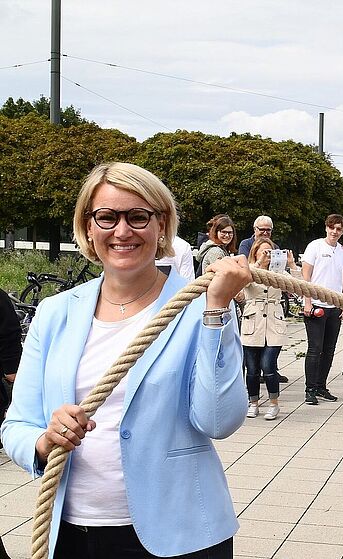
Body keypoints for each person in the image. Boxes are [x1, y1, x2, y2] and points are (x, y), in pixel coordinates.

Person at [2, 162, 251, 558]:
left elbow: (219, 421)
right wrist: (44, 441)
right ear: (87, 227)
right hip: (73, 534)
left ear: (161, 225)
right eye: (106, 217)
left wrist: (218, 311)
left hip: (180, 533)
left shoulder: (200, 307)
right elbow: (17, 424)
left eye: (138, 216)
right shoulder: (55, 312)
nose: (122, 231)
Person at [301, 214, 343, 405]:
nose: (335, 232)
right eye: (333, 228)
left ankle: (321, 385)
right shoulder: (315, 246)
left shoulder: (342, 251)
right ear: (326, 228)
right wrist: (307, 302)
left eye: (339, 229)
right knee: (315, 348)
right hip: (316, 305)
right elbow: (306, 278)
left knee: (329, 350)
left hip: (334, 306)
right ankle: (310, 388)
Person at [239, 238, 288, 420]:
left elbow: (302, 286)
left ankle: (274, 403)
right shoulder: (249, 269)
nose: (267, 255)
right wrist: (258, 264)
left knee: (268, 365)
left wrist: (290, 264)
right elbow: (243, 285)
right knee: (252, 369)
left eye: (270, 252)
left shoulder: (280, 272)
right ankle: (253, 402)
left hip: (274, 322)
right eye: (263, 252)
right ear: (255, 253)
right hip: (254, 321)